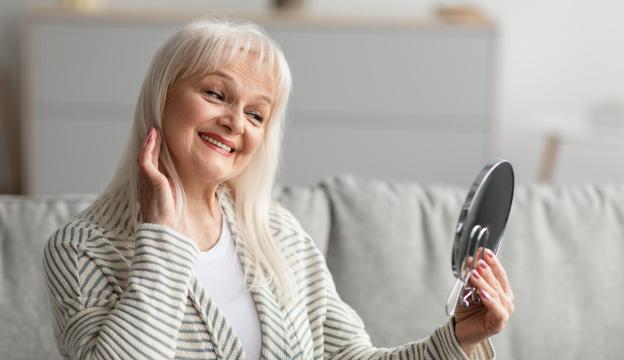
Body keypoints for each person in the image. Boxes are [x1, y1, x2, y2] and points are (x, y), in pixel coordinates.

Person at [42, 18, 513, 360]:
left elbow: (353, 357)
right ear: (162, 96)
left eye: (256, 114)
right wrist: (162, 240)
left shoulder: (278, 236)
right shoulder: (82, 251)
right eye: (215, 93)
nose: (234, 122)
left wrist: (457, 340)